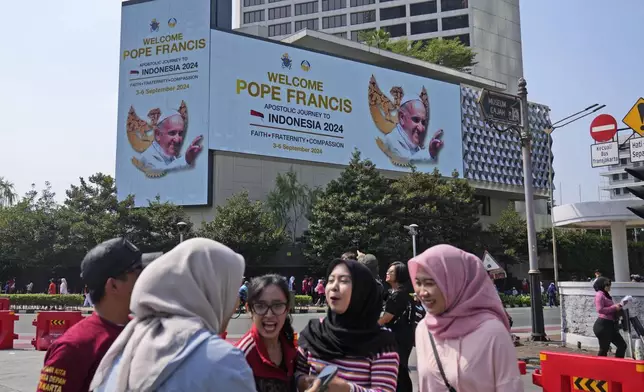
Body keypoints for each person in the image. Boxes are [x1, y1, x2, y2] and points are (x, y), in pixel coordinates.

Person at [90, 238, 256, 391]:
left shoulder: (127, 343)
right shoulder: (223, 361)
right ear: (212, 290)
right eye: (232, 290)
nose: (235, 303)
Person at [409, 244, 523, 392]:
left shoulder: (492, 333)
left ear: (455, 282)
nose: (422, 292)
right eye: (418, 283)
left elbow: (510, 386)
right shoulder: (424, 329)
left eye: (430, 283)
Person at [36, 238, 144, 392]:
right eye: (138, 272)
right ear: (113, 285)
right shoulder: (73, 348)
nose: (146, 278)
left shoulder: (144, 330)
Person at [296, 259, 399, 392]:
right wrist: (304, 381)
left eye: (343, 281)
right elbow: (295, 375)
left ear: (361, 290)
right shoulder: (314, 332)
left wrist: (347, 389)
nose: (333, 286)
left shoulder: (381, 342)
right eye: (331, 280)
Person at [236, 274, 298, 392]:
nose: (269, 315)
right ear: (249, 310)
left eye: (278, 305)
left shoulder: (290, 347)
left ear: (287, 308)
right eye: (260, 306)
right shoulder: (241, 357)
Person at [379, 262, 415, 392]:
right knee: (399, 369)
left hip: (399, 337)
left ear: (399, 275)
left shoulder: (398, 295)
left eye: (391, 272)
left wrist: (371, 327)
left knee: (398, 369)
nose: (387, 273)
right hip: (402, 336)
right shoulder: (394, 292)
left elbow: (387, 317)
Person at [139, 111, 203, 173]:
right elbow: (163, 173)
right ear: (157, 134)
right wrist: (186, 159)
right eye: (172, 133)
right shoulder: (146, 158)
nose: (177, 140)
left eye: (180, 133)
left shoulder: (171, 156)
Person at [592, 277, 627, 358]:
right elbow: (600, 309)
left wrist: (619, 306)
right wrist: (614, 308)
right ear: (602, 285)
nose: (609, 287)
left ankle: (617, 365)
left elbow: (610, 307)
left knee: (622, 345)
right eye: (607, 285)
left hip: (610, 325)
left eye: (609, 285)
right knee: (604, 349)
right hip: (603, 325)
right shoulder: (599, 295)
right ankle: (601, 367)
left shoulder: (606, 294)